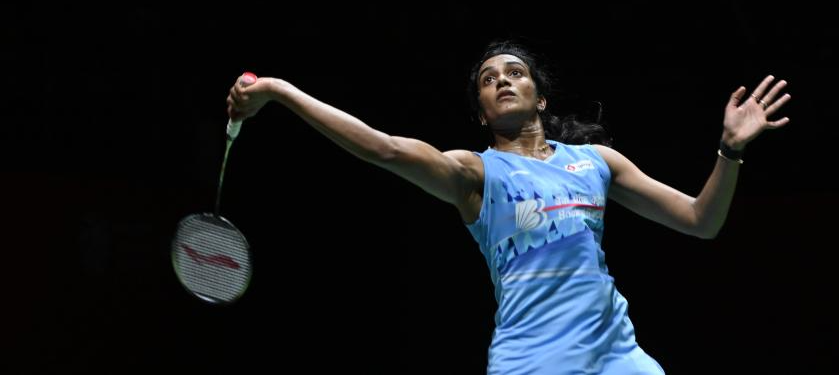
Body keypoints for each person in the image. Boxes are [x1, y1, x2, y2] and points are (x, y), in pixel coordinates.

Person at [225, 40, 791, 374]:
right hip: (532, 362)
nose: (502, 81)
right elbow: (384, 148)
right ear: (480, 112)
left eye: (515, 73)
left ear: (540, 98)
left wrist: (730, 151)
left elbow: (700, 220)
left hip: (619, 358)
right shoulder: (475, 174)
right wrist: (279, 90)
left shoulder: (596, 161)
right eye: (488, 80)